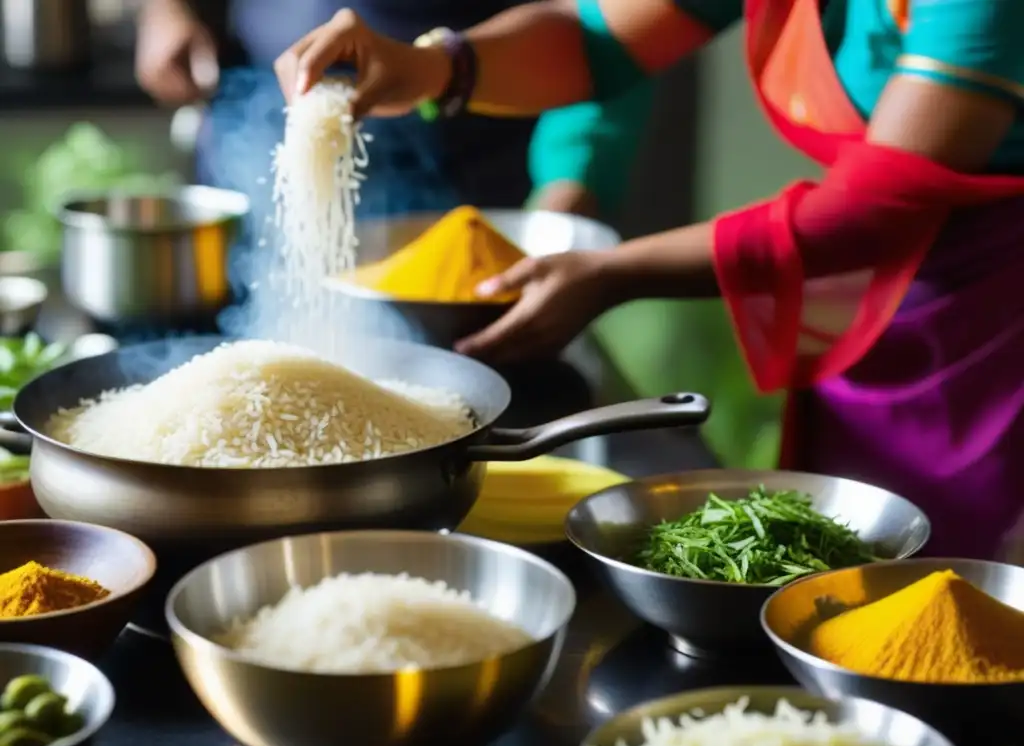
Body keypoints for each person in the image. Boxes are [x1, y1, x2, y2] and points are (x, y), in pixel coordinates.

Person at [273, 0, 1024, 560]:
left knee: (966, 583)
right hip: (878, 292)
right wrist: (431, 67)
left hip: (997, 313)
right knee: (858, 562)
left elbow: (872, 207)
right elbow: (595, 39)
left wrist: (613, 274)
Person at [133, 0, 651, 230]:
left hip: (471, 206)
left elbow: (606, 31)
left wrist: (570, 188)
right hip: (250, 169)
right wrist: (165, 8)